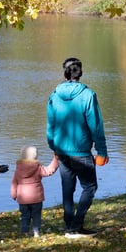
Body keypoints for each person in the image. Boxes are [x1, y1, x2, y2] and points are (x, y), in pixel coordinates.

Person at [46, 57, 109, 238]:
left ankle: (70, 226)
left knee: (68, 188)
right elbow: (96, 126)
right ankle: (75, 226)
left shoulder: (55, 95)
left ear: (64, 73)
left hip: (62, 151)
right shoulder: (88, 95)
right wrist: (102, 151)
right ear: (80, 73)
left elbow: (51, 124)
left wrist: (53, 145)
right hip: (81, 152)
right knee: (89, 188)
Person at [10, 145, 59, 238]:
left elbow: (14, 182)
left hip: (23, 198)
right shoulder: (38, 167)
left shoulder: (18, 169)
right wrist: (56, 159)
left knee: (25, 215)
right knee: (36, 215)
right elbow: (49, 170)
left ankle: (25, 231)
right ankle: (36, 231)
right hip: (36, 197)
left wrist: (13, 194)